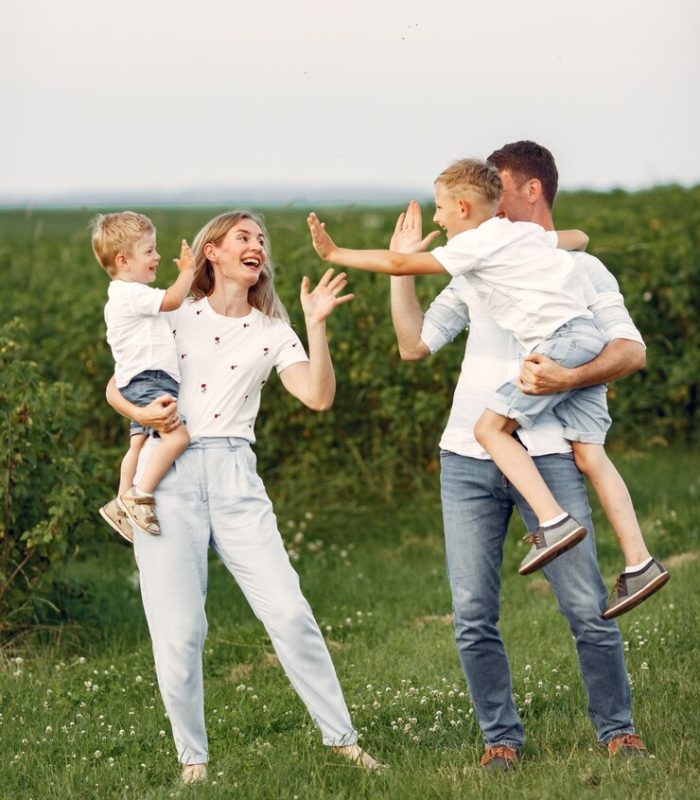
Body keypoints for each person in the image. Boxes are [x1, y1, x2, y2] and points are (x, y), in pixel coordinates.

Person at [314, 141, 651, 769]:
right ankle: (501, 740)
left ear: (529, 192)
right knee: (472, 614)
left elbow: (630, 353)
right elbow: (415, 346)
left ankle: (618, 729)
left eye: (499, 188)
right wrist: (403, 267)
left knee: (584, 604)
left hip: (547, 452)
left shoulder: (581, 266)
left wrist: (565, 379)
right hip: (466, 458)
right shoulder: (475, 262)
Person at [307, 157, 668, 618]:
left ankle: (553, 522)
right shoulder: (523, 239)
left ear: (463, 207)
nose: (436, 217)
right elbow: (575, 238)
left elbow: (399, 261)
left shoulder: (481, 244)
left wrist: (334, 253)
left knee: (491, 429)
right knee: (592, 454)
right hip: (580, 337)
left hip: (562, 348)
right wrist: (558, 246)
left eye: (440, 208)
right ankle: (640, 563)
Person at [106, 210, 380, 784]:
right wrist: (138, 413)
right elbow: (120, 378)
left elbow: (317, 396)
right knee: (180, 630)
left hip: (235, 476)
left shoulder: (272, 329)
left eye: (261, 239)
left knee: (290, 613)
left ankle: (343, 741)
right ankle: (194, 761)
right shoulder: (175, 311)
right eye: (243, 237)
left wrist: (316, 325)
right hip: (169, 476)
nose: (256, 246)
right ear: (213, 252)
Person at [92, 212, 194, 540]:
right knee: (178, 438)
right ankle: (140, 494)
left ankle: (121, 503)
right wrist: (188, 273)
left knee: (137, 445)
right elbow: (172, 299)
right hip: (151, 381)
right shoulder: (130, 293)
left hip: (135, 382)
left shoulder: (121, 296)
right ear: (123, 260)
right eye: (149, 251)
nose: (157, 257)